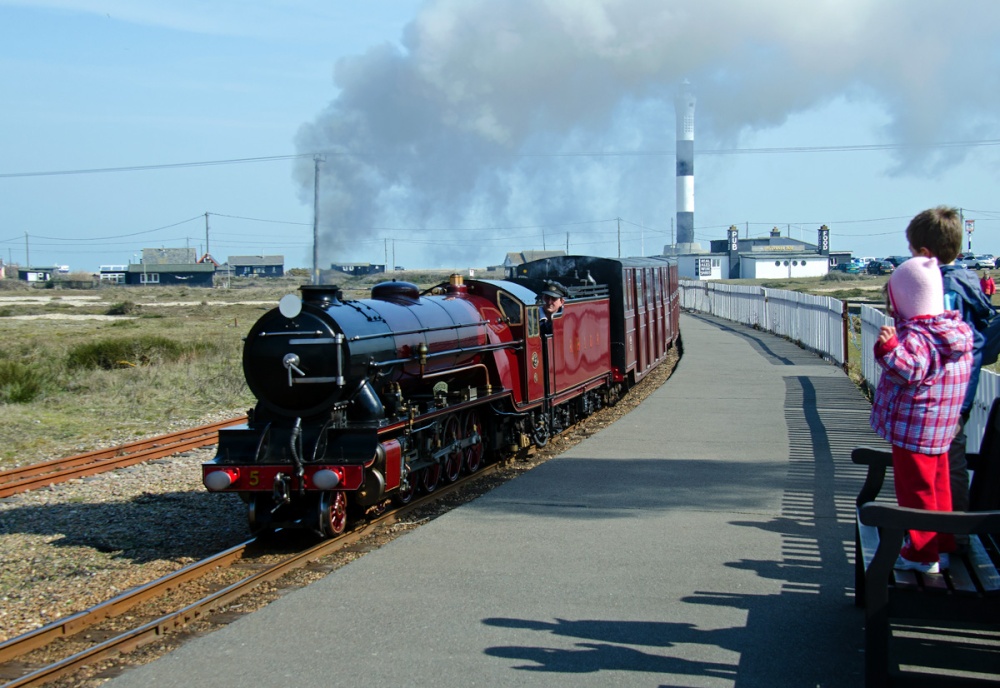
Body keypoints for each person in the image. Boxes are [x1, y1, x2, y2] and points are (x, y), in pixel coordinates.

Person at [870, 256, 973, 573]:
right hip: (938, 429)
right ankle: (942, 541)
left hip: (914, 428)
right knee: (937, 485)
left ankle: (921, 553)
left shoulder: (918, 337)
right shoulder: (952, 332)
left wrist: (887, 350)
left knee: (915, 490)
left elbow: (907, 371)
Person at [906, 206, 996, 520]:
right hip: (959, 390)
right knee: (948, 459)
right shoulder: (967, 281)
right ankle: (946, 530)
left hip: (945, 393)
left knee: (944, 462)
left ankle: (950, 532)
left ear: (923, 252)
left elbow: (947, 343)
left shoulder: (943, 290)